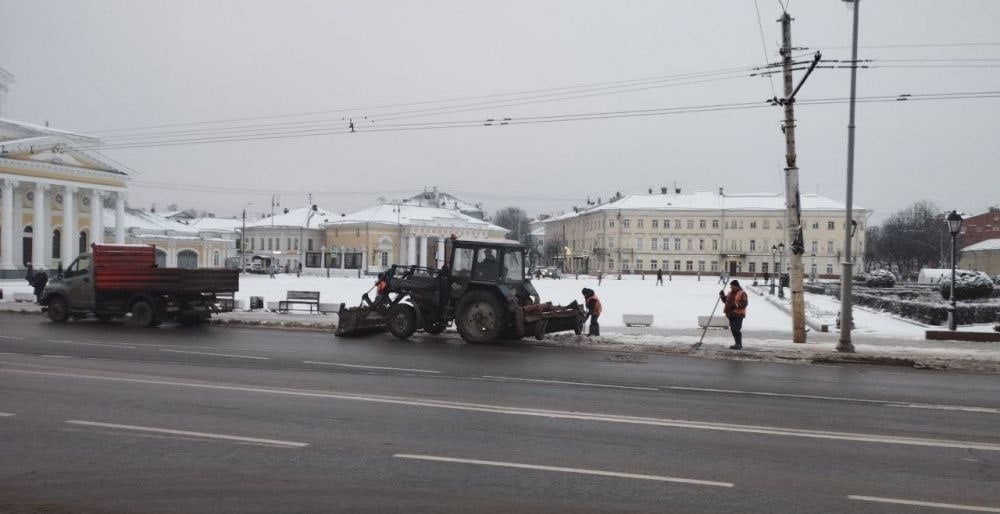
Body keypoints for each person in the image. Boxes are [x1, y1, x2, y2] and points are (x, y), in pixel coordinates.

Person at [720, 279, 749, 350]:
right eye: (731, 286)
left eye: (732, 286)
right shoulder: (730, 293)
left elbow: (744, 304)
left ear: (736, 286)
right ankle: (737, 344)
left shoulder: (742, 293)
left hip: (738, 314)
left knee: (736, 329)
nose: (731, 288)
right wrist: (722, 296)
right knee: (733, 330)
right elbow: (726, 301)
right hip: (730, 314)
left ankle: (739, 344)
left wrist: (735, 305)